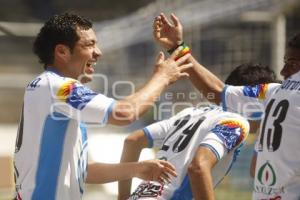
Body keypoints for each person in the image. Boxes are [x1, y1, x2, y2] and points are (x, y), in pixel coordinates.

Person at [13, 12, 194, 200]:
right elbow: (124, 113)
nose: (98, 52)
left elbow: (83, 171)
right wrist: (162, 78)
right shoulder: (57, 87)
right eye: (90, 44)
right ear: (62, 52)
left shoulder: (51, 91)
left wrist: (138, 168)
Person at [153, 13, 300, 200]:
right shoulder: (272, 91)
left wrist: (177, 47)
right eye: (286, 62)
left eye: (292, 64)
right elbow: (220, 91)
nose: (283, 71)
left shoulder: (272, 91)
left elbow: (217, 91)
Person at [117, 63, 277, 200]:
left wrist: (124, 198)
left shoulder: (191, 112)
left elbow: (132, 141)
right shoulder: (236, 122)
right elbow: (198, 167)